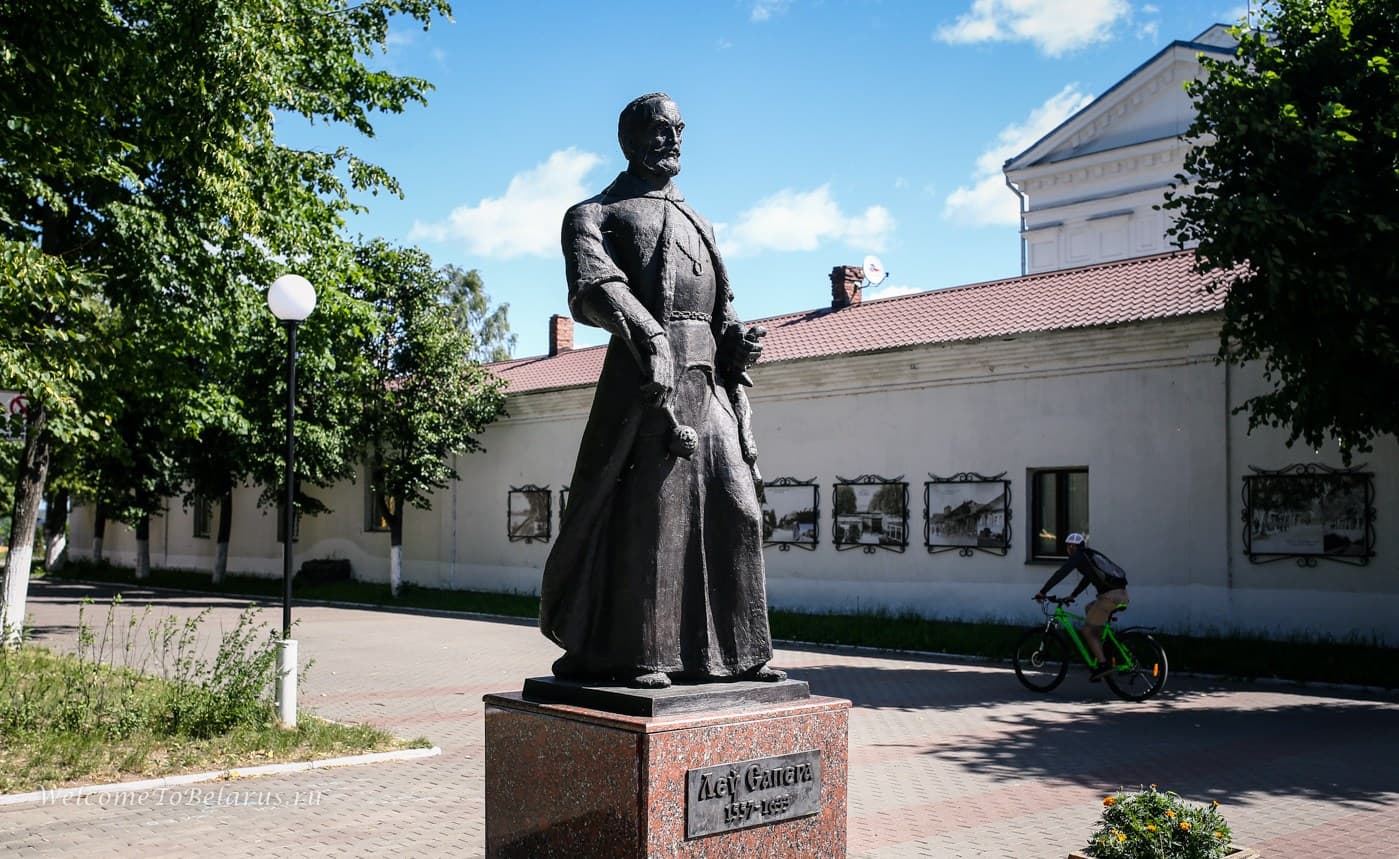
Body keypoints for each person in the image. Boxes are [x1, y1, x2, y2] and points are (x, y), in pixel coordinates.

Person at [539, 93, 784, 689]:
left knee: (739, 507)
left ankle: (740, 652)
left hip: (710, 380)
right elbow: (597, 286)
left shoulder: (700, 219)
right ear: (628, 140)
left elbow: (723, 309)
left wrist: (738, 344)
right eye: (656, 129)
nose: (670, 139)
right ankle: (644, 654)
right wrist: (650, 335)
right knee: (657, 514)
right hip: (648, 381)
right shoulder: (595, 213)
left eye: (678, 129)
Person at [1034, 533, 1130, 681]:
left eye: (1068, 546)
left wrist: (1043, 591)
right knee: (1089, 608)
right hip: (1121, 594)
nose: (1067, 549)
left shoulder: (1078, 556)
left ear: (1072, 546)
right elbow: (1088, 578)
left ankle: (1103, 664)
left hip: (1109, 597)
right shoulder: (1088, 555)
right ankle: (1100, 653)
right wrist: (1073, 595)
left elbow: (1061, 573)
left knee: (1087, 630)